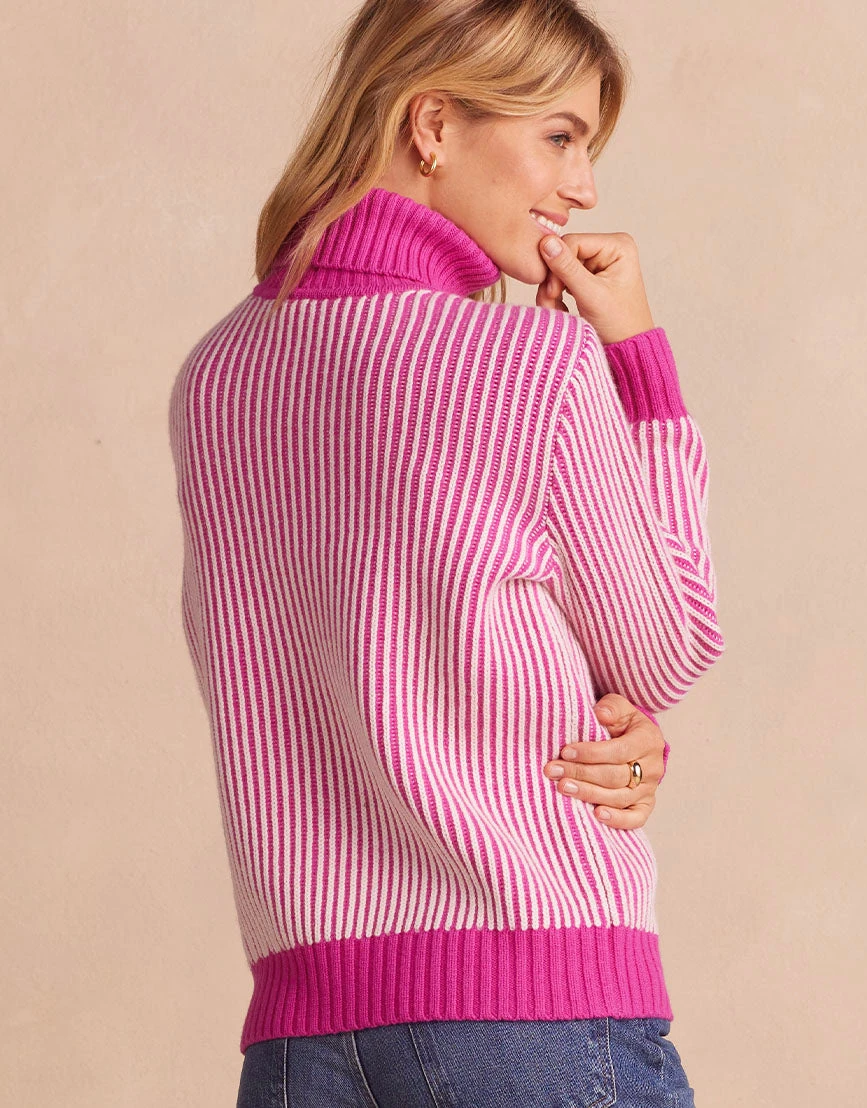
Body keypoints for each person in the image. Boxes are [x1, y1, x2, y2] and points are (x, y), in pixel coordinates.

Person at [167, 1, 726, 1104]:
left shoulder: (217, 376)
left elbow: (360, 659)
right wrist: (638, 364)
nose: (582, 188)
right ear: (431, 125)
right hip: (532, 1004)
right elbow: (665, 647)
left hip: (302, 1039)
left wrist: (592, 714)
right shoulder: (532, 363)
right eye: (559, 136)